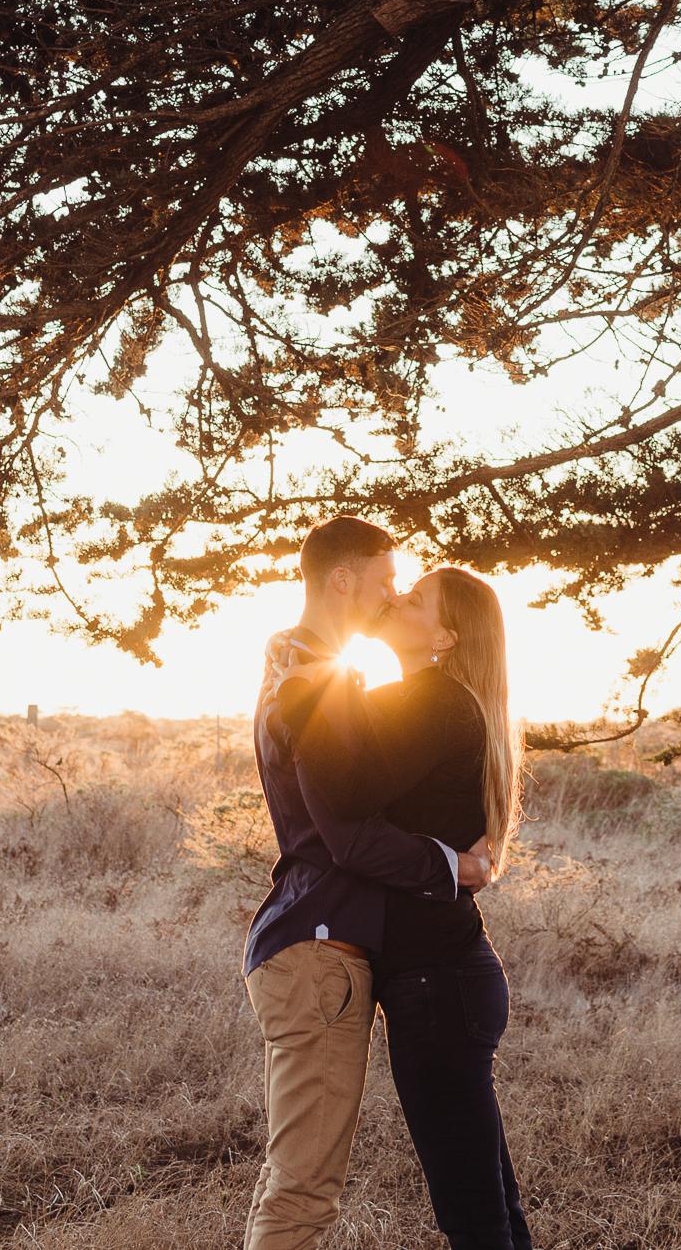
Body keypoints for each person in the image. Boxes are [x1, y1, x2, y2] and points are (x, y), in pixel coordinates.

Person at [242, 515, 493, 1250]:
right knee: (302, 1190)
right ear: (343, 580)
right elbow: (348, 834)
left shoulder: (306, 668)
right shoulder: (313, 680)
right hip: (319, 944)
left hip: (318, 945)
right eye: (386, 579)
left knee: (299, 1182)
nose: (392, 594)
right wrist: (454, 865)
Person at [305, 565, 530, 1250]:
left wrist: (309, 690)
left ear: (445, 636)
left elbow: (344, 794)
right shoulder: (433, 698)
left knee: (473, 1213)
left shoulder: (434, 700)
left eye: (418, 598)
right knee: (490, 1201)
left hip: (437, 983)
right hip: (451, 977)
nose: (400, 598)